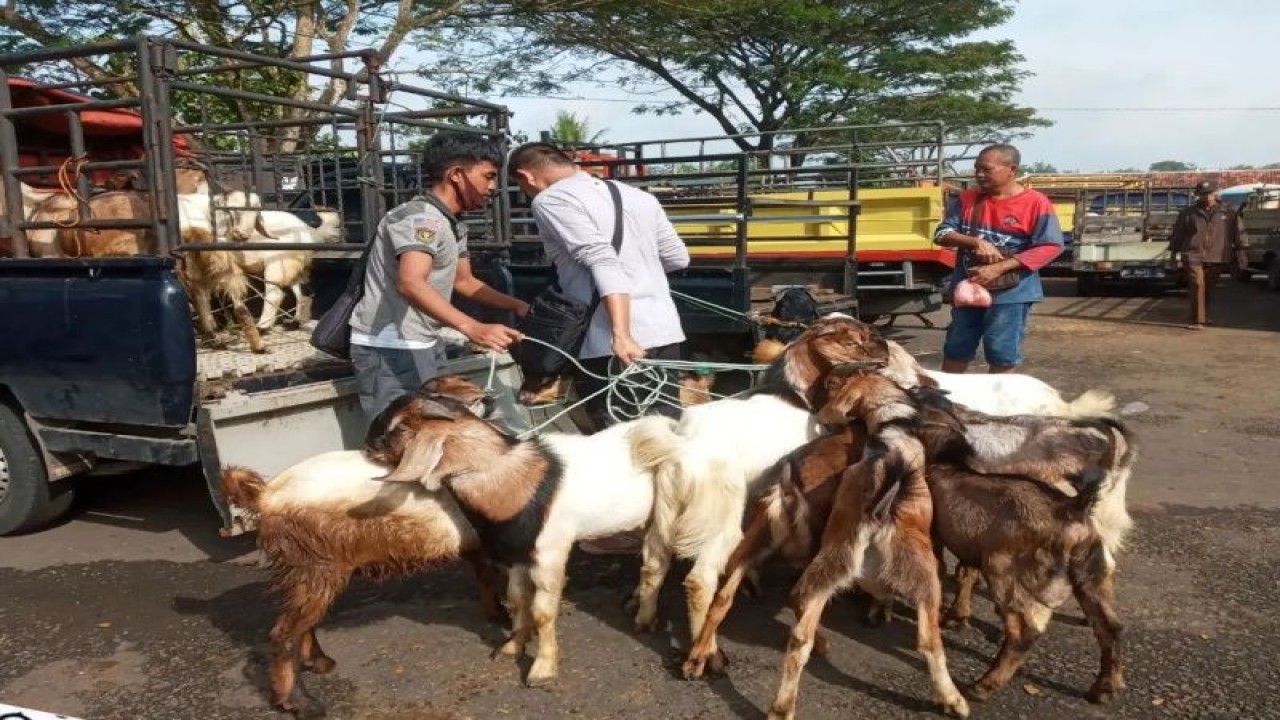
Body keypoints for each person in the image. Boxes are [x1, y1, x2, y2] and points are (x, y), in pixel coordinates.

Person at [508, 142, 691, 432]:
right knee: (666, 429)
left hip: (610, 342)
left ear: (526, 176)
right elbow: (678, 258)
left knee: (621, 438)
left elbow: (602, 259)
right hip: (662, 330)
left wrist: (622, 334)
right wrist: (639, 277)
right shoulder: (637, 196)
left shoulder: (550, 200)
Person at [349, 131, 529, 423]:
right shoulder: (421, 219)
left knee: (439, 433)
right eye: (488, 176)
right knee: (401, 440)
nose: (493, 187)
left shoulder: (450, 223)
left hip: (423, 341)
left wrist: (517, 305)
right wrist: (471, 326)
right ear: (457, 174)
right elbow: (410, 282)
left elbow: (465, 282)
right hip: (391, 346)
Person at [933, 143, 1064, 374]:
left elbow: (1051, 245)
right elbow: (942, 234)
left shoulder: (1035, 203)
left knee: (1001, 350)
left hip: (1012, 292)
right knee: (956, 346)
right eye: (977, 169)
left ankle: (998, 406)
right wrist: (974, 242)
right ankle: (948, 402)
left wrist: (1000, 267)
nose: (979, 174)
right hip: (968, 290)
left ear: (1011, 169)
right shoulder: (967, 199)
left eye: (986, 169)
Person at [1168, 180, 1244, 330]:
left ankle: (1204, 315)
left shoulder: (1228, 213)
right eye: (1203, 194)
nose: (1207, 197)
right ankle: (1197, 320)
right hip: (1192, 253)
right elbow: (1178, 234)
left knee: (1207, 287)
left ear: (1215, 193)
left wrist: (1242, 253)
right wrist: (1173, 256)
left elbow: (1239, 233)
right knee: (1198, 284)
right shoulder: (1188, 213)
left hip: (1217, 255)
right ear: (1198, 196)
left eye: (1210, 193)